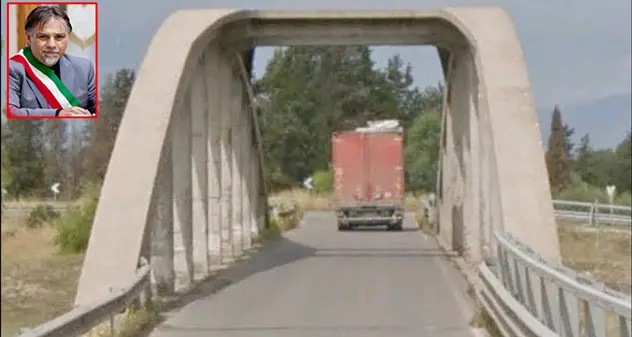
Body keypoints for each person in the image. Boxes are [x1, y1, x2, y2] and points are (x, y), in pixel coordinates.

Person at [8, 5, 96, 117]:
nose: (52, 45)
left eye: (59, 37)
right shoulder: (11, 69)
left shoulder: (85, 68)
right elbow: (10, 112)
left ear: (68, 38)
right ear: (29, 38)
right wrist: (57, 114)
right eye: (43, 37)